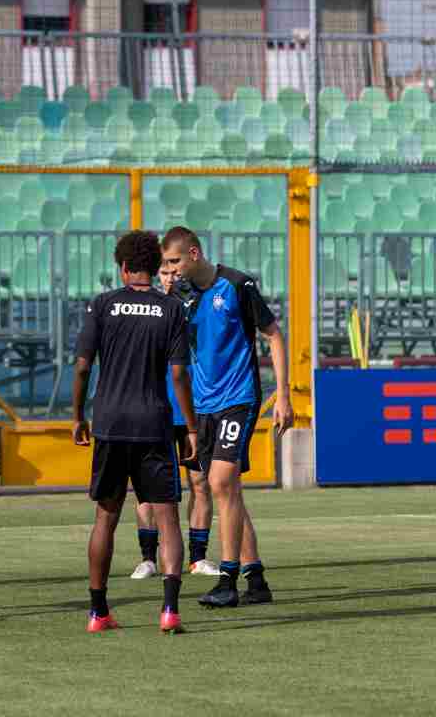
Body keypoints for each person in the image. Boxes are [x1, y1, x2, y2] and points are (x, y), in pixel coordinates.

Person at [73, 230, 198, 634]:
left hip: (110, 423)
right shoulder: (171, 309)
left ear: (124, 268)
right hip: (153, 424)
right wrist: (192, 427)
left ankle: (98, 613)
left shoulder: (103, 304)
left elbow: (81, 365)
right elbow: (178, 373)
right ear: (153, 266)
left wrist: (78, 416)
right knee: (167, 520)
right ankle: (169, 611)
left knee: (105, 518)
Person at [160, 227, 293, 608]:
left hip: (238, 399)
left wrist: (282, 395)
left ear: (195, 253)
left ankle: (228, 580)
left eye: (175, 262)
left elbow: (274, 335)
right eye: (165, 265)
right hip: (203, 407)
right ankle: (257, 579)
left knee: (220, 483)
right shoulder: (182, 298)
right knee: (227, 491)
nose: (170, 271)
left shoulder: (237, 285)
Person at [130, 264, 218, 580]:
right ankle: (148, 558)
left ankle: (198, 557)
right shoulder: (146, 308)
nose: (171, 278)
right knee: (147, 489)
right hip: (155, 409)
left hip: (194, 408)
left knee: (201, 483)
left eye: (175, 272)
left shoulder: (199, 307)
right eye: (165, 273)